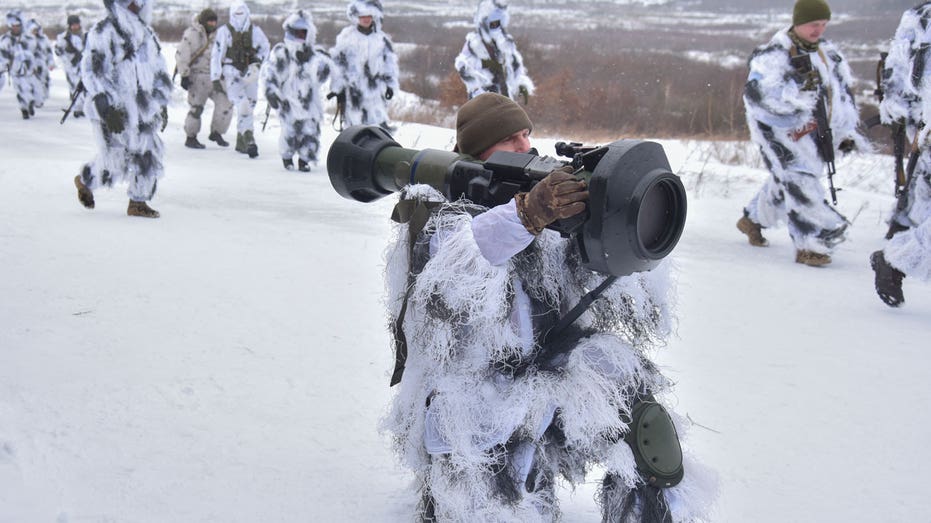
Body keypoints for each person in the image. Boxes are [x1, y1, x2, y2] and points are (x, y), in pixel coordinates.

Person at [382, 93, 714, 521]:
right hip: (475, 407)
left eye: (526, 134)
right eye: (508, 140)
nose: (525, 147)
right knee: (501, 506)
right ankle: (446, 494)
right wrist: (526, 216)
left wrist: (615, 231)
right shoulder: (444, 215)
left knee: (642, 419)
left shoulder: (548, 203)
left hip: (546, 378)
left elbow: (618, 300)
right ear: (476, 151)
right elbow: (454, 278)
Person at [736, 0, 866, 267]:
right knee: (800, 183)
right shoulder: (773, 56)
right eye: (813, 24)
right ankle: (811, 244)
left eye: (823, 24)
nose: (818, 30)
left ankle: (752, 219)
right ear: (798, 22)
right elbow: (759, 99)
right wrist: (796, 103)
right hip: (781, 137)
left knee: (787, 183)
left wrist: (845, 131)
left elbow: (840, 97)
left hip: (817, 135)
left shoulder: (827, 54)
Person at [72, 0, 171, 219]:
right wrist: (106, 106)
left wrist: (161, 103)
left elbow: (159, 69)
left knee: (149, 154)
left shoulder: (147, 35)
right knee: (114, 159)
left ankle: (138, 201)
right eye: (132, 2)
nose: (137, 5)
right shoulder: (103, 32)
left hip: (144, 107)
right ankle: (86, 180)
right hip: (116, 106)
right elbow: (91, 71)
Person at [871, 2, 931, 307]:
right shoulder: (921, 20)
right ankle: (895, 258)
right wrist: (915, 125)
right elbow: (898, 80)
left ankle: (895, 259)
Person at [263, 10, 333, 172]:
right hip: (288, 99)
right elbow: (270, 73)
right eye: (297, 32)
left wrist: (324, 68)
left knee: (310, 130)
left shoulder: (314, 55)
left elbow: (321, 77)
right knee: (290, 129)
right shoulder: (282, 52)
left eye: (303, 32)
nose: (300, 36)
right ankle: (287, 157)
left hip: (309, 100)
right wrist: (271, 92)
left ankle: (304, 159)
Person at [210, 1, 269, 158]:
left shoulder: (255, 31)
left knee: (251, 104)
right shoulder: (224, 32)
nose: (239, 17)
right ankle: (249, 139)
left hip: (250, 74)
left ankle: (241, 141)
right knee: (243, 106)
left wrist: (258, 60)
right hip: (232, 74)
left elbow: (265, 47)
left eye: (242, 13)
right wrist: (215, 77)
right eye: (236, 13)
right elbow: (216, 55)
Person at [328, 0, 399, 130]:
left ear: (374, 17)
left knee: (377, 125)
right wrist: (338, 88)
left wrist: (390, 85)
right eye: (362, 16)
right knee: (354, 127)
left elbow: (389, 64)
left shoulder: (381, 39)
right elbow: (338, 65)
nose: (366, 19)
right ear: (356, 17)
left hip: (376, 91)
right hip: (353, 92)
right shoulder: (347, 38)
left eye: (369, 16)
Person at [454, 0, 534, 103]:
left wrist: (520, 84)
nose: (497, 29)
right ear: (484, 24)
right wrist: (484, 66)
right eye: (493, 24)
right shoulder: (474, 45)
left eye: (500, 25)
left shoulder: (505, 47)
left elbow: (515, 66)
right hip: (481, 101)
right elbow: (463, 68)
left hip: (505, 99)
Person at [177, 8, 232, 149]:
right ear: (203, 21)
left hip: (216, 76)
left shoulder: (220, 35)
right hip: (197, 76)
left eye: (214, 21)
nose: (212, 24)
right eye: (210, 21)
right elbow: (182, 55)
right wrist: (184, 74)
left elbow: (225, 54)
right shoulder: (191, 34)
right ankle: (191, 137)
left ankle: (216, 132)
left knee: (225, 103)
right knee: (196, 108)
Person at [0, 10, 40, 119]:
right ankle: (24, 109)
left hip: (30, 70)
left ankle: (31, 103)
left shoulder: (29, 38)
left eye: (18, 26)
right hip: (15, 70)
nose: (16, 28)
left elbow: (36, 52)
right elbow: (2, 56)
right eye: (14, 26)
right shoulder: (6, 40)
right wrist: (2, 67)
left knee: (31, 89)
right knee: (20, 90)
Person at [54, 14, 86, 119]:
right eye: (73, 25)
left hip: (83, 65)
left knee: (85, 87)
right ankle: (77, 109)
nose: (75, 26)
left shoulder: (85, 35)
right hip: (70, 66)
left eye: (76, 24)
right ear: (70, 25)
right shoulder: (64, 37)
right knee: (74, 87)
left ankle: (83, 107)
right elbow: (58, 50)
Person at [26, 18, 54, 109]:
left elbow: (49, 52)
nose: (35, 32)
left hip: (42, 66)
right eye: (33, 30)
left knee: (44, 85)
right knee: (31, 85)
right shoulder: (25, 40)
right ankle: (30, 102)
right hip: (30, 68)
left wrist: (51, 62)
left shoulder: (43, 39)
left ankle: (39, 100)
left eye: (36, 30)